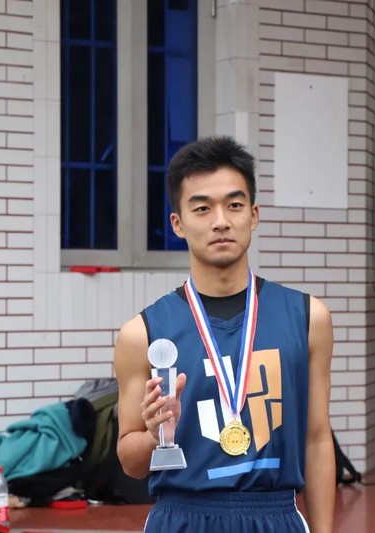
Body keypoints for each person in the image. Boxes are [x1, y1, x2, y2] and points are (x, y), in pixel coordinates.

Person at [113, 136, 335, 532]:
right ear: (178, 224)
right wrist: (154, 435)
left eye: (234, 205)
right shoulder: (142, 335)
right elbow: (130, 462)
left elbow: (317, 440)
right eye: (202, 208)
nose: (220, 221)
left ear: (253, 214)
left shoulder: (308, 318)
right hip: (182, 518)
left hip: (274, 518)